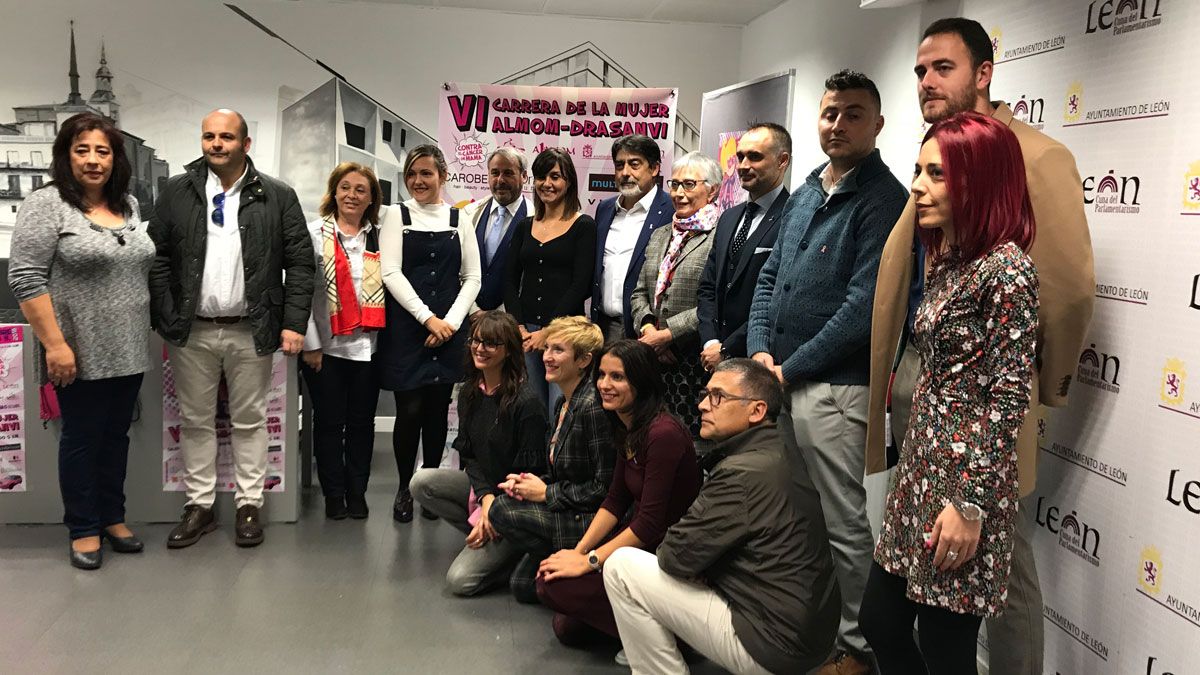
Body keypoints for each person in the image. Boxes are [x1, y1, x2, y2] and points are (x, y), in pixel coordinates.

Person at [864, 20, 1094, 675]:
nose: (926, 82)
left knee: (974, 609)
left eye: (942, 68)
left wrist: (970, 495)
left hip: (978, 440)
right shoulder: (950, 234)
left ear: (984, 72)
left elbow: (1068, 293)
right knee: (891, 615)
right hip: (923, 431)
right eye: (919, 71)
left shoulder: (1028, 173)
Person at [859, 111, 1039, 674]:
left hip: (964, 483)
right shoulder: (950, 261)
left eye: (937, 174)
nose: (918, 187)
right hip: (922, 468)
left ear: (980, 180)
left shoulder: (1007, 273)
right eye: (919, 170)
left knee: (944, 645)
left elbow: (1006, 402)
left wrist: (968, 505)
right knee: (880, 622)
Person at [746, 70, 906, 675]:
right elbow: (770, 278)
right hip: (784, 381)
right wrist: (762, 353)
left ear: (879, 125)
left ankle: (860, 652)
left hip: (837, 393)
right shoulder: (809, 187)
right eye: (830, 112)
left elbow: (863, 309)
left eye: (853, 114)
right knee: (801, 520)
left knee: (846, 529)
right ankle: (814, 627)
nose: (838, 125)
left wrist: (788, 367)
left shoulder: (885, 200)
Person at [605, 359, 840, 674]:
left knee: (621, 567)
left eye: (717, 397)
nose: (702, 405)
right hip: (811, 639)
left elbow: (674, 556)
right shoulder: (779, 449)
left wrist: (703, 565)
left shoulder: (741, 472)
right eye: (705, 394)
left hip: (774, 646)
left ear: (756, 411)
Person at [149, 109, 314, 549]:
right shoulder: (176, 193)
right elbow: (158, 257)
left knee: (250, 420)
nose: (215, 144)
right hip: (193, 331)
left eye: (225, 136)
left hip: (251, 328)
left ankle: (248, 506)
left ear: (245, 143)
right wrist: (166, 314)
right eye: (208, 136)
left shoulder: (277, 195)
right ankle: (200, 506)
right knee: (196, 420)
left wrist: (294, 323)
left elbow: (300, 264)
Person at [8, 112, 154, 570]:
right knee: (82, 440)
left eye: (103, 151)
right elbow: (26, 277)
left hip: (130, 347)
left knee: (116, 438)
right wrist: (55, 345)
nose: (93, 160)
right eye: (82, 150)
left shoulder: (127, 203)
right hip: (77, 349)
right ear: (65, 155)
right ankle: (83, 527)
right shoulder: (46, 203)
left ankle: (112, 517)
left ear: (116, 159)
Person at [536, 340, 701, 661]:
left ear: (641, 382)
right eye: (602, 375)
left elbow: (650, 523)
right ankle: (645, 623)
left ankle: (672, 638)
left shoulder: (662, 433)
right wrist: (579, 551)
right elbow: (614, 500)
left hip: (667, 554)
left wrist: (590, 561)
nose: (604, 385)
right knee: (565, 625)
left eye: (618, 377)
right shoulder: (627, 425)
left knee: (551, 588)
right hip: (638, 543)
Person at [376, 144, 482, 523]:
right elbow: (391, 273)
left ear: (442, 176)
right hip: (408, 328)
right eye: (412, 174)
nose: (418, 181)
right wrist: (428, 319)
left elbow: (472, 278)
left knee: (438, 410)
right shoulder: (395, 215)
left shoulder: (459, 220)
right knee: (410, 410)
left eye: (426, 173)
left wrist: (450, 323)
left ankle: (430, 487)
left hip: (450, 328)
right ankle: (405, 487)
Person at [408, 311, 547, 596]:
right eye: (476, 340)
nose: (480, 348)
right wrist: (485, 500)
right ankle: (484, 532)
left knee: (460, 582)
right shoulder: (470, 392)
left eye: (491, 343)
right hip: (486, 494)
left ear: (508, 351)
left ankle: (509, 549)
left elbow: (529, 475)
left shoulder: (527, 402)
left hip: (516, 503)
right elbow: (469, 455)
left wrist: (495, 509)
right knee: (421, 483)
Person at [487, 316, 615, 603]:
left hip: (591, 519)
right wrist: (531, 483)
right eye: (547, 349)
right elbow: (560, 470)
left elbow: (603, 489)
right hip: (568, 506)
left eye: (558, 350)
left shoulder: (592, 407)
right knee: (522, 585)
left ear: (583, 360)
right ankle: (558, 561)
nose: (547, 357)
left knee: (500, 511)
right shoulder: (562, 403)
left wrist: (545, 493)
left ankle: (583, 564)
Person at [301, 162, 385, 520]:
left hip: (369, 348)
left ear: (371, 199)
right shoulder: (313, 233)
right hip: (326, 349)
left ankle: (357, 492)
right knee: (330, 423)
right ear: (334, 192)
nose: (352, 195)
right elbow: (300, 290)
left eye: (360, 190)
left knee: (363, 423)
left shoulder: (380, 237)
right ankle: (334, 494)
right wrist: (311, 343)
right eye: (345, 187)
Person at [630, 151, 721, 436]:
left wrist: (668, 335)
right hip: (652, 358)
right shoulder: (660, 234)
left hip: (693, 360)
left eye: (689, 185)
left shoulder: (720, 235)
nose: (679, 193)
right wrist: (647, 328)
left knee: (686, 442)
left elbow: (715, 299)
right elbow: (640, 292)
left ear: (713, 190)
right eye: (674, 184)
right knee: (647, 436)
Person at [504, 148, 597, 411]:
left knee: (561, 408)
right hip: (526, 334)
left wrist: (548, 332)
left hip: (565, 334)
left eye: (555, 176)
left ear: (568, 182)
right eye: (542, 177)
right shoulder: (524, 226)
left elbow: (582, 285)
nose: (548, 184)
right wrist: (520, 328)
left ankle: (557, 455)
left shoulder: (584, 226)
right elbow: (509, 281)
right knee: (531, 410)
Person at [697, 123, 792, 371]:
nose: (743, 165)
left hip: (759, 359)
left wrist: (728, 349)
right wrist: (711, 341)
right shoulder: (729, 217)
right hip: (713, 356)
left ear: (782, 161)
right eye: (740, 156)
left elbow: (778, 299)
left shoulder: (794, 217)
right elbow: (708, 287)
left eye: (755, 157)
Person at [590, 135, 675, 342]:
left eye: (634, 164)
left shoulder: (671, 210)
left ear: (654, 169)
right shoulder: (605, 208)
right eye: (620, 165)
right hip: (602, 325)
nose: (625, 173)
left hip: (647, 331)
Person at [466, 148, 532, 316]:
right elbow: (458, 267)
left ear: (524, 176)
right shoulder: (468, 213)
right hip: (469, 316)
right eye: (495, 173)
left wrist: (503, 315)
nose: (500, 180)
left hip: (513, 321)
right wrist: (473, 311)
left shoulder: (537, 218)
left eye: (508, 173)